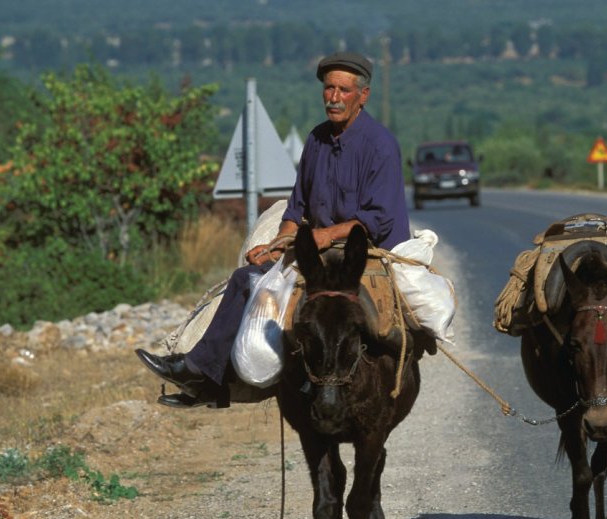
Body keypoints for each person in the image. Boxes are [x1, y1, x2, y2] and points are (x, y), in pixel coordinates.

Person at [135, 51, 410, 408]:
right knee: (247, 279)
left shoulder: (380, 145)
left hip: (365, 253)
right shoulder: (316, 141)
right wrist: (278, 243)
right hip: (321, 250)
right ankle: (204, 378)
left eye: (343, 90)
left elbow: (379, 219)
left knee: (330, 310)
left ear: (363, 95)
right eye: (329, 89)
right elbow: (297, 207)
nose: (334, 97)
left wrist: (324, 236)